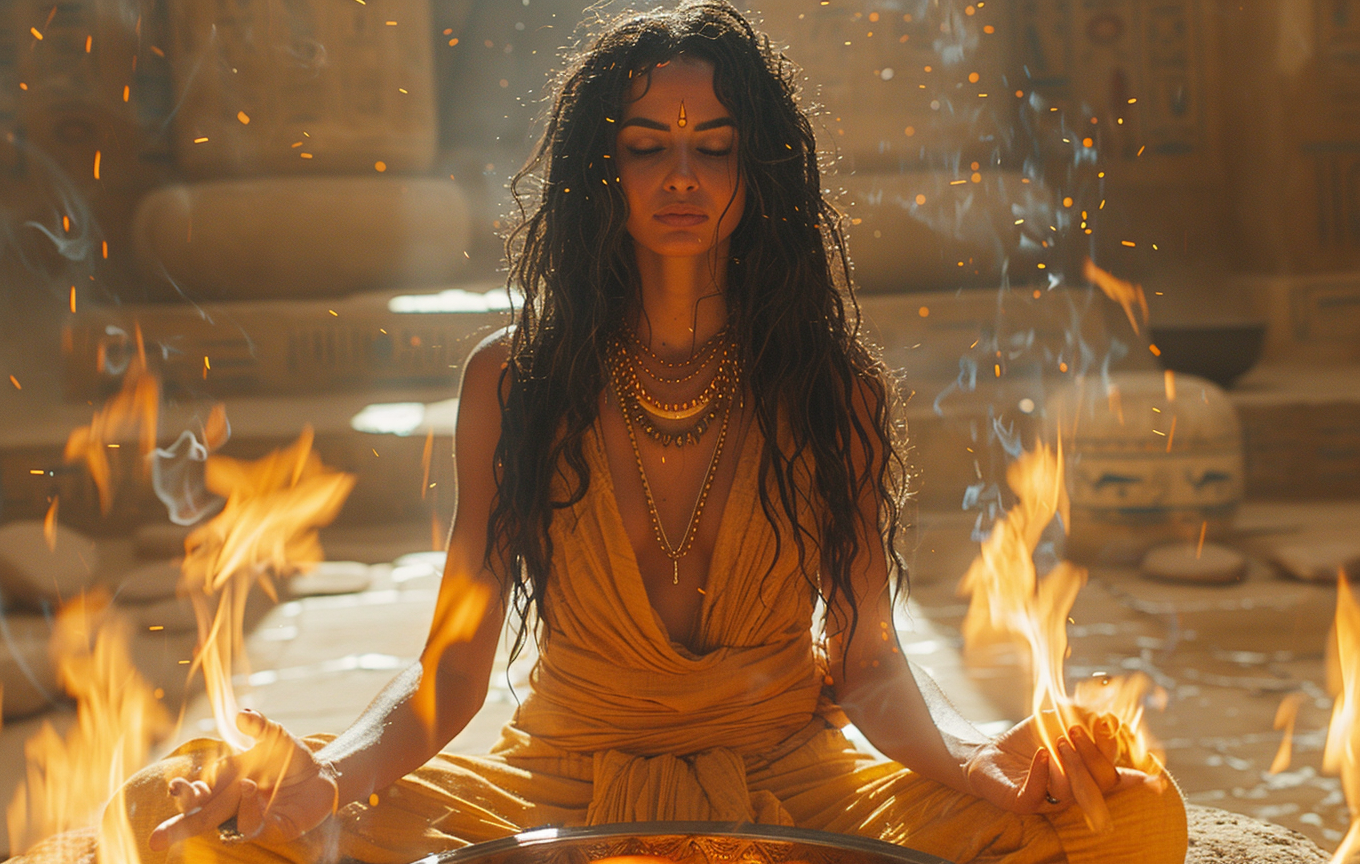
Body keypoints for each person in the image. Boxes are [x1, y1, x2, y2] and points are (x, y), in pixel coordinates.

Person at [13, 3, 1187, 863]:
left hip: (790, 786)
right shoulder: (512, 381)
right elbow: (451, 669)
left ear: (754, 171)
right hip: (555, 788)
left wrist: (973, 754)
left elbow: (870, 662)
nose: (682, 173)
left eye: (714, 144)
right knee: (186, 810)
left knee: (1130, 813)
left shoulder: (836, 389)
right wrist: (326, 777)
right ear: (601, 172)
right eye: (646, 145)